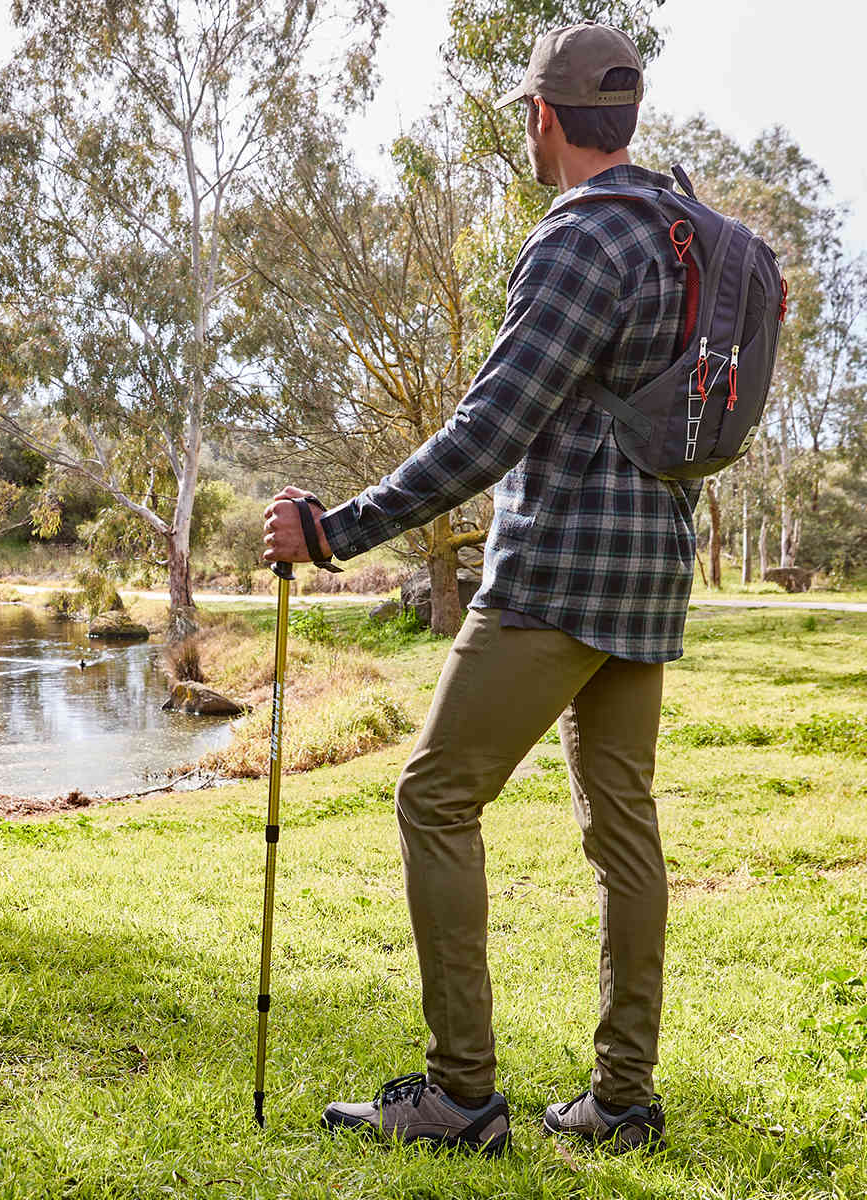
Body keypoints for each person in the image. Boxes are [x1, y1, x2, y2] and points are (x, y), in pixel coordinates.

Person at [263, 22, 704, 1155]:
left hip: (555, 575)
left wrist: (334, 531)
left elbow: (487, 432)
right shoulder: (684, 238)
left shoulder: (580, 244)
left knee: (434, 796)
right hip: (651, 578)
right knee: (624, 831)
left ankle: (460, 1096)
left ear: (543, 118)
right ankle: (623, 1099)